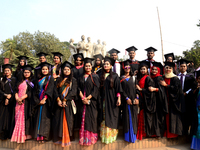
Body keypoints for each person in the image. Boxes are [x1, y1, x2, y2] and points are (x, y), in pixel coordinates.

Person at [52, 61, 77, 147]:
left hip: (68, 103)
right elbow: (54, 91)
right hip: (58, 103)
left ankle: (67, 137)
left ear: (70, 71)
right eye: (64, 69)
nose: (66, 71)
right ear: (62, 70)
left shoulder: (73, 80)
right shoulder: (58, 80)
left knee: (68, 120)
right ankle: (59, 137)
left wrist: (65, 100)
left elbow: (73, 92)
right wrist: (58, 100)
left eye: (68, 69)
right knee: (58, 120)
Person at [100, 56, 122, 144]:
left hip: (112, 100)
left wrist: (119, 98)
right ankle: (104, 136)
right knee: (104, 117)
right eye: (104, 64)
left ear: (111, 66)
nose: (105, 65)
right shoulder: (100, 75)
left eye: (107, 64)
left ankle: (111, 137)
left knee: (112, 116)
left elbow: (118, 88)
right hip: (103, 100)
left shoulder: (115, 76)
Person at [78, 58, 100, 146]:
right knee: (84, 118)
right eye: (86, 66)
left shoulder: (95, 76)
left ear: (91, 67)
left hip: (92, 102)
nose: (87, 67)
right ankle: (84, 138)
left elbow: (96, 89)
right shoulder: (81, 77)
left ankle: (91, 138)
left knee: (92, 119)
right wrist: (83, 98)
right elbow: (78, 88)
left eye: (89, 66)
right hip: (82, 101)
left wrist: (88, 98)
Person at [160, 62, 185, 138]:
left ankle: (172, 134)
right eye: (166, 68)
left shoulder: (175, 78)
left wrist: (166, 86)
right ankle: (165, 133)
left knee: (172, 117)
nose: (168, 69)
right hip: (164, 100)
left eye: (169, 68)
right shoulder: (162, 77)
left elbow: (176, 89)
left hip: (172, 101)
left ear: (172, 69)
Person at [11, 65, 34, 143]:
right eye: (25, 72)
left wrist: (22, 98)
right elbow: (15, 91)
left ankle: (24, 136)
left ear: (31, 73)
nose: (26, 74)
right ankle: (17, 135)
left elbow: (30, 92)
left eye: (28, 72)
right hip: (18, 103)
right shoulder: (19, 81)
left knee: (24, 119)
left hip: (25, 103)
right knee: (17, 118)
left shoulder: (31, 83)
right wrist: (17, 98)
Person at [32, 62, 54, 143]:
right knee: (38, 118)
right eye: (43, 69)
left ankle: (44, 136)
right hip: (39, 101)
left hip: (46, 102)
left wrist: (44, 99)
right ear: (41, 70)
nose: (44, 70)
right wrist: (38, 101)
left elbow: (50, 89)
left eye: (46, 69)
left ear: (48, 70)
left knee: (45, 119)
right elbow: (35, 90)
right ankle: (38, 136)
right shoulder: (38, 79)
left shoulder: (50, 78)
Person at [136, 61, 157, 140]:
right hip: (141, 99)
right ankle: (142, 133)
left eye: (144, 69)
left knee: (146, 117)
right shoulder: (140, 77)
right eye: (141, 69)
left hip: (147, 101)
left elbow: (150, 90)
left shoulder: (148, 78)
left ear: (147, 70)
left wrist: (141, 89)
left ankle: (146, 133)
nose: (142, 71)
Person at [120, 60, 139, 143]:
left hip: (134, 102)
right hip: (126, 101)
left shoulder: (134, 78)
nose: (127, 68)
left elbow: (137, 90)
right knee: (127, 118)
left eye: (128, 67)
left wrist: (137, 98)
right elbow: (121, 90)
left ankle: (134, 136)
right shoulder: (121, 79)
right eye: (125, 67)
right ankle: (127, 137)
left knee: (134, 118)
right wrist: (126, 98)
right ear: (123, 68)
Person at [177, 59, 197, 135]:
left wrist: (186, 93)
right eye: (181, 66)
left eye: (184, 66)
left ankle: (185, 131)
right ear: (179, 67)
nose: (183, 68)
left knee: (187, 114)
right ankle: (180, 131)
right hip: (179, 98)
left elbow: (194, 87)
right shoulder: (176, 77)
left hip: (188, 98)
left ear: (186, 67)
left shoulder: (190, 77)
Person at [150, 62, 168, 137]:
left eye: (155, 69)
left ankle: (160, 133)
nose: (154, 71)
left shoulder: (160, 78)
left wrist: (155, 89)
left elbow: (162, 90)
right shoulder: (151, 77)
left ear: (158, 70)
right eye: (153, 69)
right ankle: (155, 132)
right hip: (154, 100)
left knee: (160, 117)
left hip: (159, 100)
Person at [0, 64, 16, 140]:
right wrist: (5, 95)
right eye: (5, 70)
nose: (6, 72)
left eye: (8, 70)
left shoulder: (14, 80)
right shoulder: (2, 80)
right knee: (2, 118)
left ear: (11, 71)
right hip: (2, 102)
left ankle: (8, 134)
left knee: (10, 117)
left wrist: (9, 98)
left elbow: (16, 90)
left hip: (11, 102)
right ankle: (2, 134)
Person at [191, 70, 200, 150]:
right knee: (197, 127)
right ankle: (196, 146)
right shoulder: (197, 88)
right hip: (197, 110)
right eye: (199, 78)